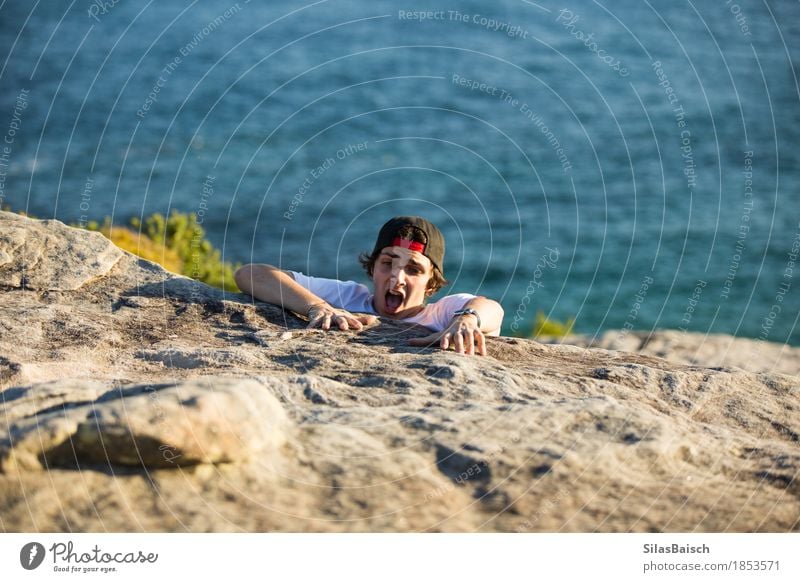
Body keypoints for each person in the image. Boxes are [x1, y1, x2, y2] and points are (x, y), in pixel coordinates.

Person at [234, 216, 504, 356]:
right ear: (373, 268)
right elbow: (251, 274)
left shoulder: (441, 314)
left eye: (413, 270)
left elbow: (492, 309)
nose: (397, 278)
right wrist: (317, 306)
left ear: (431, 283)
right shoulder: (349, 298)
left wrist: (467, 320)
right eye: (388, 263)